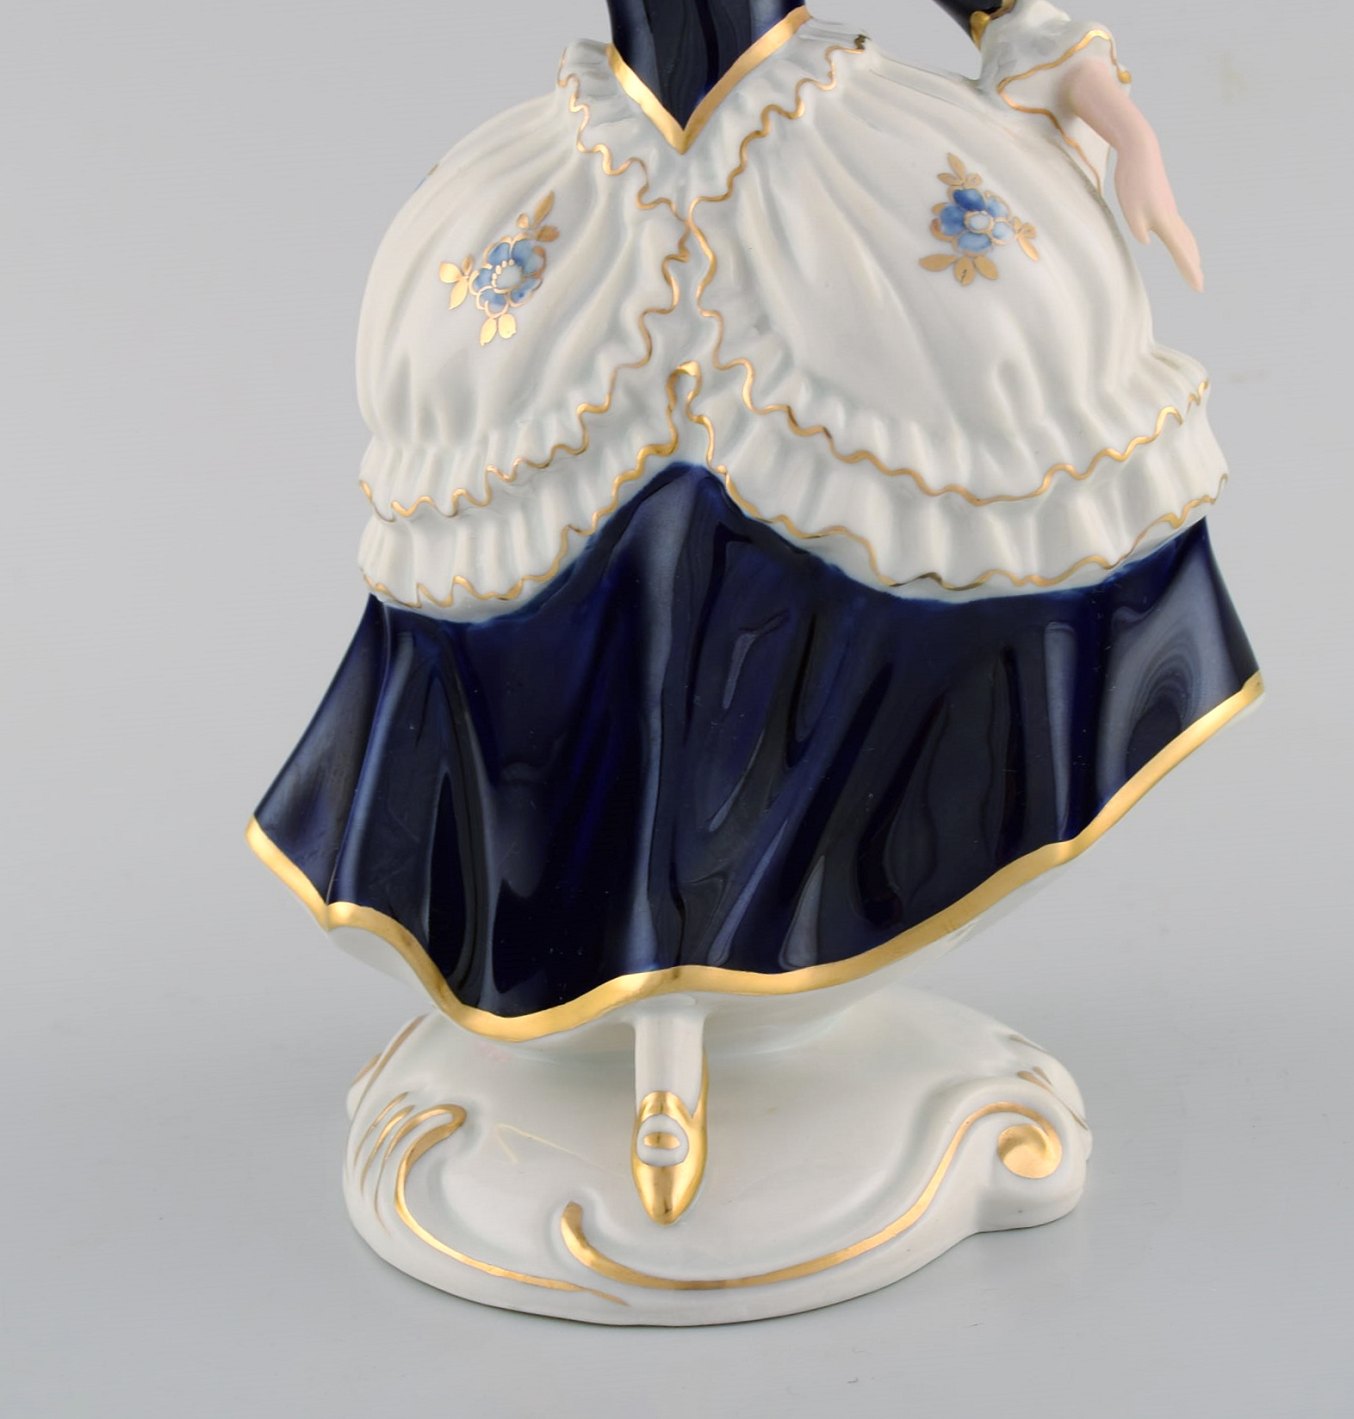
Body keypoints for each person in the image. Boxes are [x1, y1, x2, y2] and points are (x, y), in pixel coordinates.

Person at [249, 0, 1261, 1223]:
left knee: (909, 446)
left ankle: (736, 970)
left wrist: (1082, 80)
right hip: (612, 159)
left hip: (811, 156)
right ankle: (627, 1000)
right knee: (550, 514)